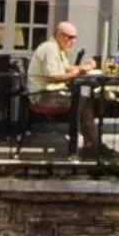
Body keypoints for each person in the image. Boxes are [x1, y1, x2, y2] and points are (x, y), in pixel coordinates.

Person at [26, 20, 102, 150]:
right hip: (43, 96)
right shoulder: (49, 48)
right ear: (60, 35)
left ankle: (92, 145)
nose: (73, 41)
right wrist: (79, 73)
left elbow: (66, 69)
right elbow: (52, 77)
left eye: (75, 37)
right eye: (70, 37)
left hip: (52, 93)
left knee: (85, 102)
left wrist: (83, 67)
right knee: (83, 103)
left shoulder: (58, 49)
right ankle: (92, 146)